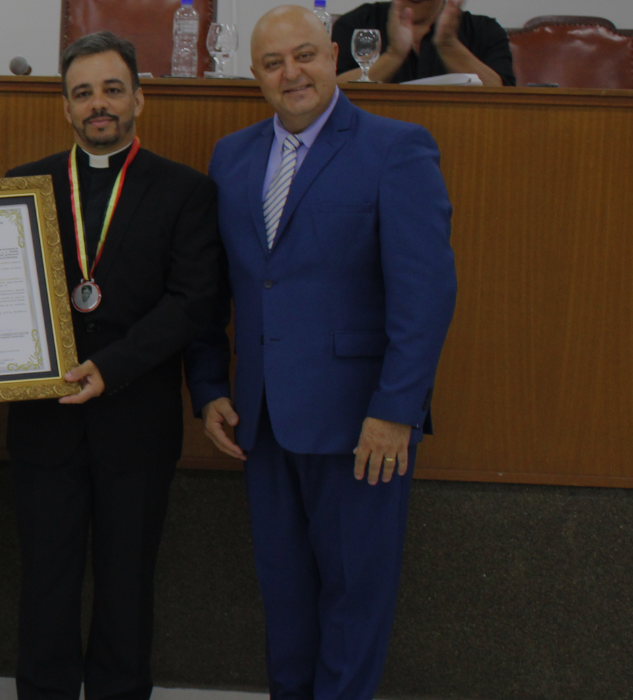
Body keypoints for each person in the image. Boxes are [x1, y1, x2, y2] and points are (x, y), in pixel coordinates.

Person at [191, 7, 456, 700]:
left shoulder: (397, 147)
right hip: (264, 420)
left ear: (333, 55)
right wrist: (211, 385)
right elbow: (219, 286)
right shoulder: (233, 155)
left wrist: (397, 410)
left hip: (361, 426)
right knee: (284, 598)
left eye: (304, 55)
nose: (292, 73)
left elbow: (423, 296)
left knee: (352, 602)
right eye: (274, 63)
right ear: (256, 76)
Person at [4, 32, 225, 700]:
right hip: (44, 422)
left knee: (127, 588)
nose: (98, 105)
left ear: (139, 99)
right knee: (45, 583)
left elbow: (194, 302)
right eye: (82, 93)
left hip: (136, 418)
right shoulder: (23, 186)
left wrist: (112, 364)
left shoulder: (187, 192)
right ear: (65, 107)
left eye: (111, 90)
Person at [332, 0, 513, 86]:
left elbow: (504, 97)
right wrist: (394, 55)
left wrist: (449, 46)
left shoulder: (484, 30)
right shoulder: (358, 24)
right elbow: (335, 90)